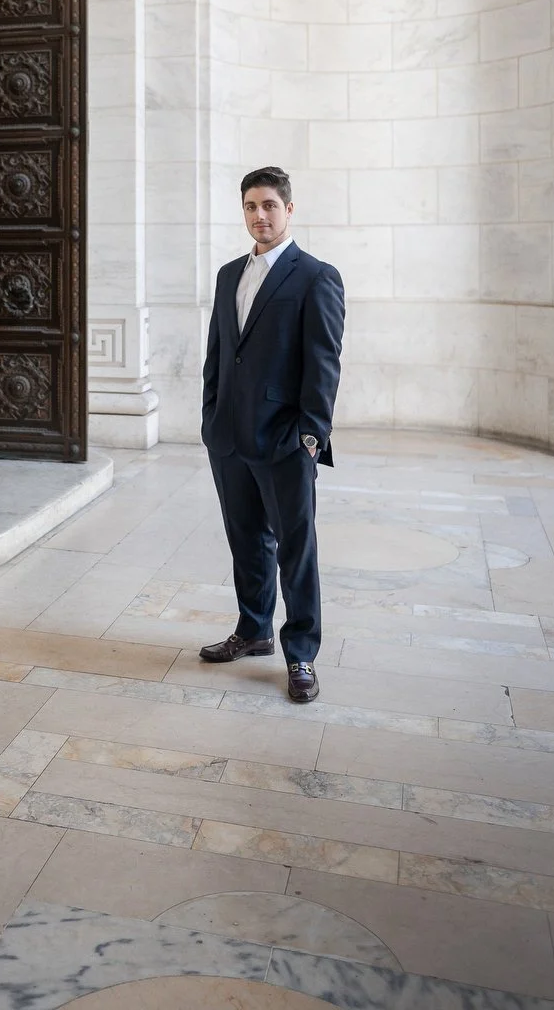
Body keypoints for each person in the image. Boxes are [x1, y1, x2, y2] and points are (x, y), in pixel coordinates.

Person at [198, 166, 344, 704]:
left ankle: (301, 652)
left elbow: (324, 359)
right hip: (229, 438)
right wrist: (211, 417)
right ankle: (253, 629)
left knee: (295, 547)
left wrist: (312, 433)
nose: (260, 216)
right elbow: (219, 352)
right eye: (250, 207)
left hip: (285, 439)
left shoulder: (315, 276)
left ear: (289, 209)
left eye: (269, 206)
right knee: (245, 539)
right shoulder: (227, 274)